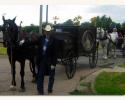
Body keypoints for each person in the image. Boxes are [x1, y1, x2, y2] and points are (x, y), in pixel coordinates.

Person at [36, 24, 58, 95]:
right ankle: (40, 91)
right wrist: (24, 42)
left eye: (49, 31)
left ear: (50, 31)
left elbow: (55, 53)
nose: (47, 32)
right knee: (40, 75)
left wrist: (53, 64)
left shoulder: (54, 40)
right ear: (44, 31)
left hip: (50, 61)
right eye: (46, 31)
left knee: (51, 76)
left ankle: (49, 89)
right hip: (42, 60)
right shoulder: (41, 38)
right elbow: (33, 42)